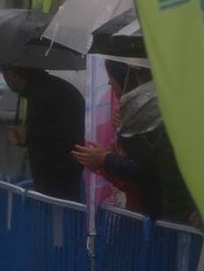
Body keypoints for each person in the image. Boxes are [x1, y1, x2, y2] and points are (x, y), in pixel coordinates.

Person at [72, 64, 195, 223]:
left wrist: (106, 159)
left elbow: (147, 168)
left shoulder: (153, 116)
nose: (109, 83)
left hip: (160, 216)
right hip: (147, 212)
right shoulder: (136, 113)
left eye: (111, 78)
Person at [1, 66, 85, 201]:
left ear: (11, 74)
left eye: (3, 74)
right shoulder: (47, 87)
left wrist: (28, 135)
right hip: (66, 174)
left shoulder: (40, 94)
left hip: (58, 181)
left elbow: (52, 137)